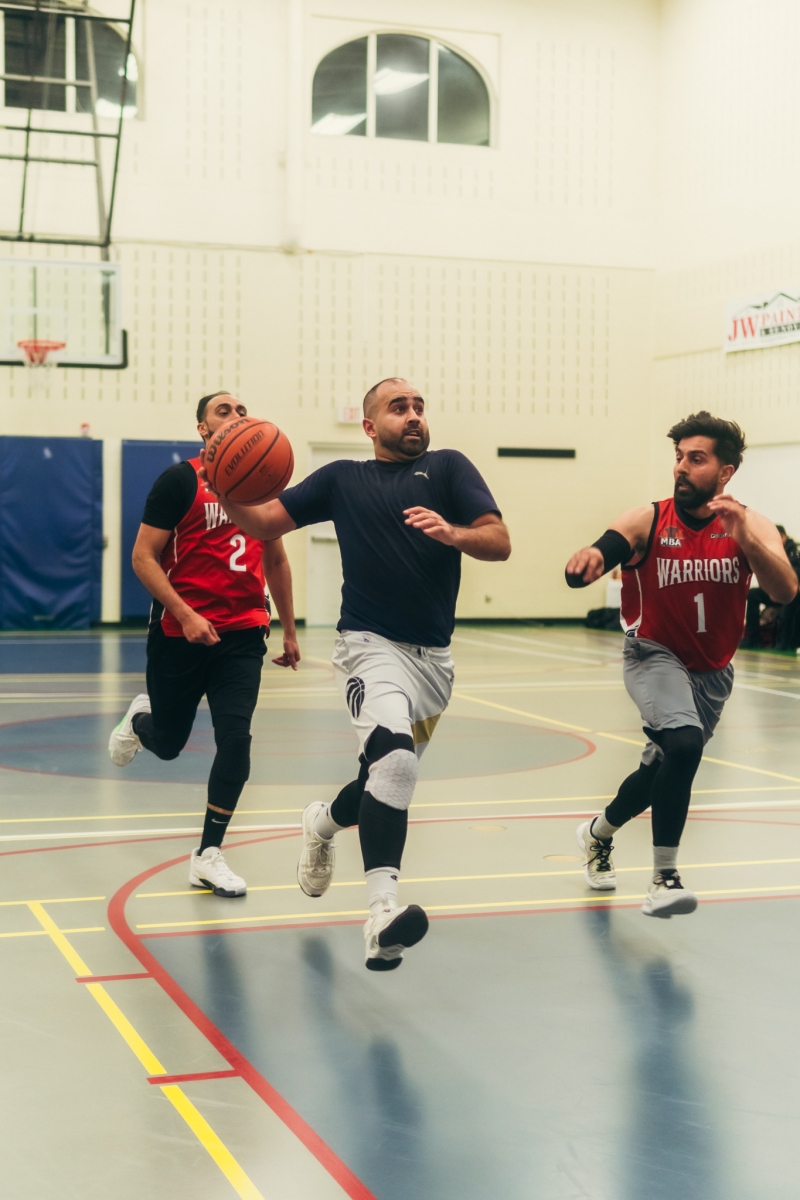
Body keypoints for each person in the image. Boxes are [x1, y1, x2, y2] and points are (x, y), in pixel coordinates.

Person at [211, 378, 510, 969]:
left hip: (434, 663)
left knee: (380, 780)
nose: (414, 415)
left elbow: (498, 542)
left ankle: (321, 823)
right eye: (399, 408)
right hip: (368, 646)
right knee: (396, 765)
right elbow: (266, 522)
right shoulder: (342, 479)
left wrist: (454, 532)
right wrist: (225, 486)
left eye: (419, 406)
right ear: (370, 426)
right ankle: (381, 916)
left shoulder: (449, 468)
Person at [565, 411, 797, 917]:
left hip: (712, 670)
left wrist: (746, 536)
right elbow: (607, 547)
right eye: (679, 457)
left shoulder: (751, 524)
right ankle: (664, 879)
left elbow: (785, 591)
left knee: (661, 770)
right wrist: (591, 558)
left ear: (725, 471)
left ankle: (597, 833)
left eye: (696, 459)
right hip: (653, 654)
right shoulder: (648, 519)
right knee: (685, 744)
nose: (682, 467)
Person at [108, 391, 300, 897]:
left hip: (243, 634)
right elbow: (143, 557)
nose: (236, 415)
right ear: (202, 428)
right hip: (181, 632)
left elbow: (276, 559)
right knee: (169, 745)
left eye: (242, 410)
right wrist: (185, 613)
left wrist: (288, 628)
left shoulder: (261, 485)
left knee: (236, 740)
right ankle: (141, 720)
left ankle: (208, 854)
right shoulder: (179, 481)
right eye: (223, 410)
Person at [742, 526, 800, 650]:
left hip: (792, 593)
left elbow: (795, 575)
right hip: (775, 592)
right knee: (753, 594)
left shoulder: (793, 551)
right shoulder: (772, 550)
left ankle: (785, 642)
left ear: (784, 537)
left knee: (792, 600)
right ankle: (753, 638)